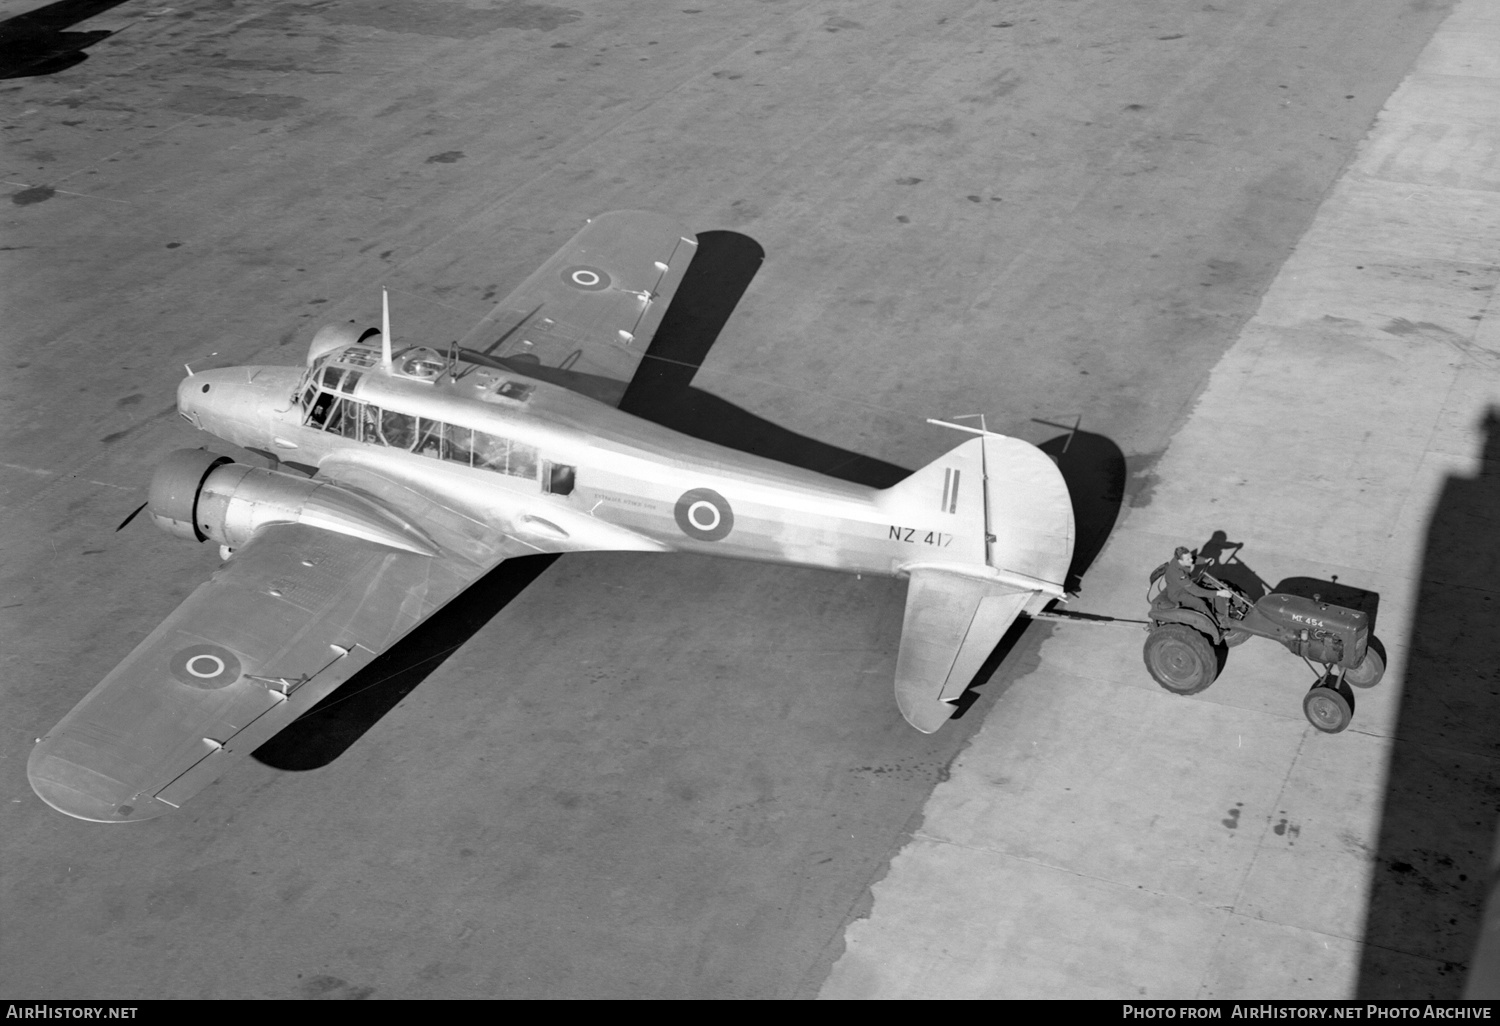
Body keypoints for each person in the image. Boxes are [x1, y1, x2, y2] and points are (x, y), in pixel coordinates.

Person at [1164, 546, 1233, 622]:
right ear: (1180, 560)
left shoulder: (1180, 560)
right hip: (1178, 594)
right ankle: (1215, 625)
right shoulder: (1177, 573)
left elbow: (1193, 558)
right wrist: (1218, 593)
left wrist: (1205, 560)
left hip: (1185, 585)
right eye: (1188, 559)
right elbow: (1195, 591)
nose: (1191, 560)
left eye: (1190, 557)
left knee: (1212, 584)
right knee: (1200, 603)